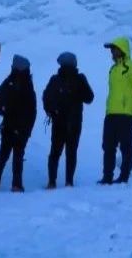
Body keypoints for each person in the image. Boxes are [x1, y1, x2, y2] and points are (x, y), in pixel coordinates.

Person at [43, 52, 95, 188]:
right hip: (75, 122)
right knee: (71, 153)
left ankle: (52, 182)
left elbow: (46, 97)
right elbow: (90, 98)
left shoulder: (55, 80)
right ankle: (69, 182)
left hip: (58, 122)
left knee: (55, 152)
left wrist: (50, 111)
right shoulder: (79, 79)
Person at [0, 54, 37, 192]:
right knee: (18, 155)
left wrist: (4, 112)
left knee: (3, 154)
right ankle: (16, 184)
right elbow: (33, 110)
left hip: (8, 125)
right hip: (22, 128)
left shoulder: (8, 82)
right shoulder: (28, 85)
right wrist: (28, 130)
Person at [100, 37, 132, 185]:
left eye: (114, 49)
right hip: (111, 113)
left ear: (122, 49)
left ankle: (124, 176)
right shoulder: (112, 69)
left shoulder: (131, 67)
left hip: (126, 114)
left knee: (125, 146)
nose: (112, 52)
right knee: (108, 146)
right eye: (111, 49)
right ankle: (107, 177)